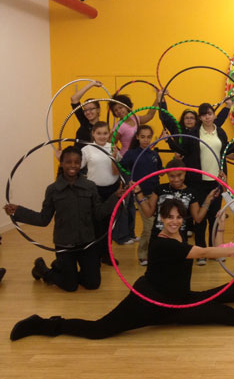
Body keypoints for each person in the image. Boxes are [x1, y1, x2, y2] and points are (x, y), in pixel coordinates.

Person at [9, 199, 234, 341]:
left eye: (178, 217)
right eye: (168, 217)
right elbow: (205, 252)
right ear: (160, 219)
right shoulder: (162, 244)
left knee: (226, 314)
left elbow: (198, 251)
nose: (174, 221)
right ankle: (43, 324)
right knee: (100, 330)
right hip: (148, 300)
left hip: (177, 302)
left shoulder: (179, 236)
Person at [3, 146, 123, 292]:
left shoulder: (90, 186)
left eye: (77, 162)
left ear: (81, 164)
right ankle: (44, 270)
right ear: (61, 163)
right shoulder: (53, 189)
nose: (73, 166)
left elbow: (99, 213)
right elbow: (43, 219)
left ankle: (63, 268)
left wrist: (115, 197)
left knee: (93, 284)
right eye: (68, 162)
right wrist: (18, 211)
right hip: (65, 244)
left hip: (87, 243)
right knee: (70, 286)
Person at [159, 99, 231, 251]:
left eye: (209, 114)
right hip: (198, 182)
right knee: (200, 218)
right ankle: (200, 248)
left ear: (214, 115)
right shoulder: (194, 133)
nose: (207, 117)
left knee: (214, 217)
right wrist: (169, 141)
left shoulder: (221, 132)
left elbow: (224, 154)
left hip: (216, 181)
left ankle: (213, 249)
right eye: (203, 115)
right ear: (200, 118)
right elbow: (183, 150)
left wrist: (224, 176)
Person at [136, 159, 218, 267]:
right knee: (156, 269)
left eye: (179, 175)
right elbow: (148, 213)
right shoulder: (160, 189)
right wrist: (139, 193)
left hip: (179, 239)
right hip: (158, 236)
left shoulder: (191, 192)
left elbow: (198, 218)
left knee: (177, 269)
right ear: (167, 175)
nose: (176, 179)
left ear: (185, 173)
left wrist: (208, 199)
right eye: (172, 176)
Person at [120, 125, 163, 266]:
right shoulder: (131, 154)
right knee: (149, 225)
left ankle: (154, 252)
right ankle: (143, 254)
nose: (146, 140)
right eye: (143, 137)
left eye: (148, 137)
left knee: (157, 225)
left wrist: (175, 160)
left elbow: (160, 172)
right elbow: (121, 168)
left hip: (155, 194)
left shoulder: (154, 155)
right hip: (141, 194)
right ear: (137, 137)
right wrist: (129, 181)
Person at [80, 121, 122, 262]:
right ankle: (95, 254)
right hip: (94, 192)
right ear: (93, 134)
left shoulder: (113, 148)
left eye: (105, 133)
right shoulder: (87, 150)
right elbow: (76, 167)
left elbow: (116, 172)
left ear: (109, 133)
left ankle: (107, 254)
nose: (102, 136)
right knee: (95, 224)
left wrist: (114, 157)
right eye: (99, 133)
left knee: (108, 225)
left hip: (111, 191)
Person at [109, 91, 161, 156]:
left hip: (139, 154)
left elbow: (149, 115)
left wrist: (158, 98)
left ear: (126, 106)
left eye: (120, 107)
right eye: (116, 110)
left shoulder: (135, 118)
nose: (119, 111)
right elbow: (110, 142)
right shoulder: (119, 126)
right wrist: (117, 155)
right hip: (127, 157)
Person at [70, 81, 104, 149]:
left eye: (91, 109)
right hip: (78, 158)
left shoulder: (103, 127)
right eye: (85, 110)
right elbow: (74, 99)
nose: (88, 112)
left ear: (98, 110)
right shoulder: (84, 121)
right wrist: (92, 84)